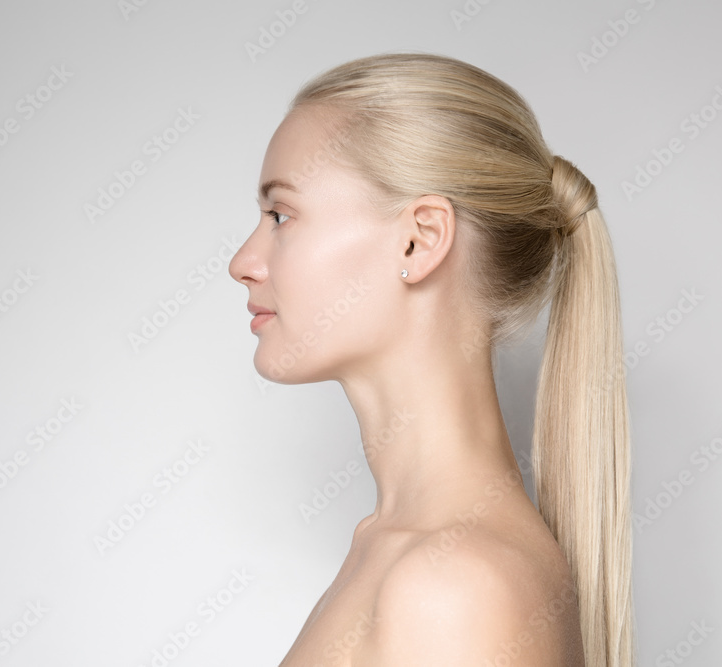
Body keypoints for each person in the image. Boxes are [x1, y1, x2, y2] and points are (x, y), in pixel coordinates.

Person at [229, 52, 635, 667]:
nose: (243, 262)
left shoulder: (453, 586)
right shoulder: (392, 549)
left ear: (420, 240)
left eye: (280, 215)